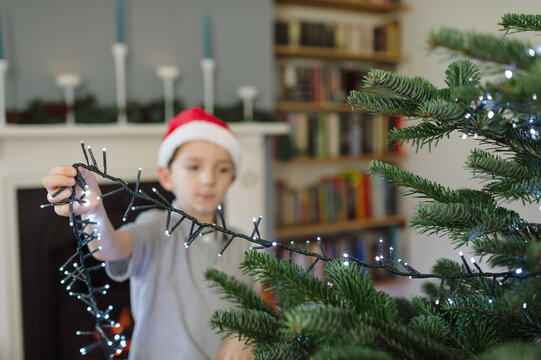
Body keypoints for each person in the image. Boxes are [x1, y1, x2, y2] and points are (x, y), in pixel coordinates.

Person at [42, 107, 255, 360]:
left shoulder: (243, 244)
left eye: (221, 169)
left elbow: (255, 311)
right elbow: (109, 248)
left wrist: (247, 337)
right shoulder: (156, 227)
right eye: (194, 167)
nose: (209, 179)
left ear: (232, 178)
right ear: (166, 176)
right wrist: (93, 212)